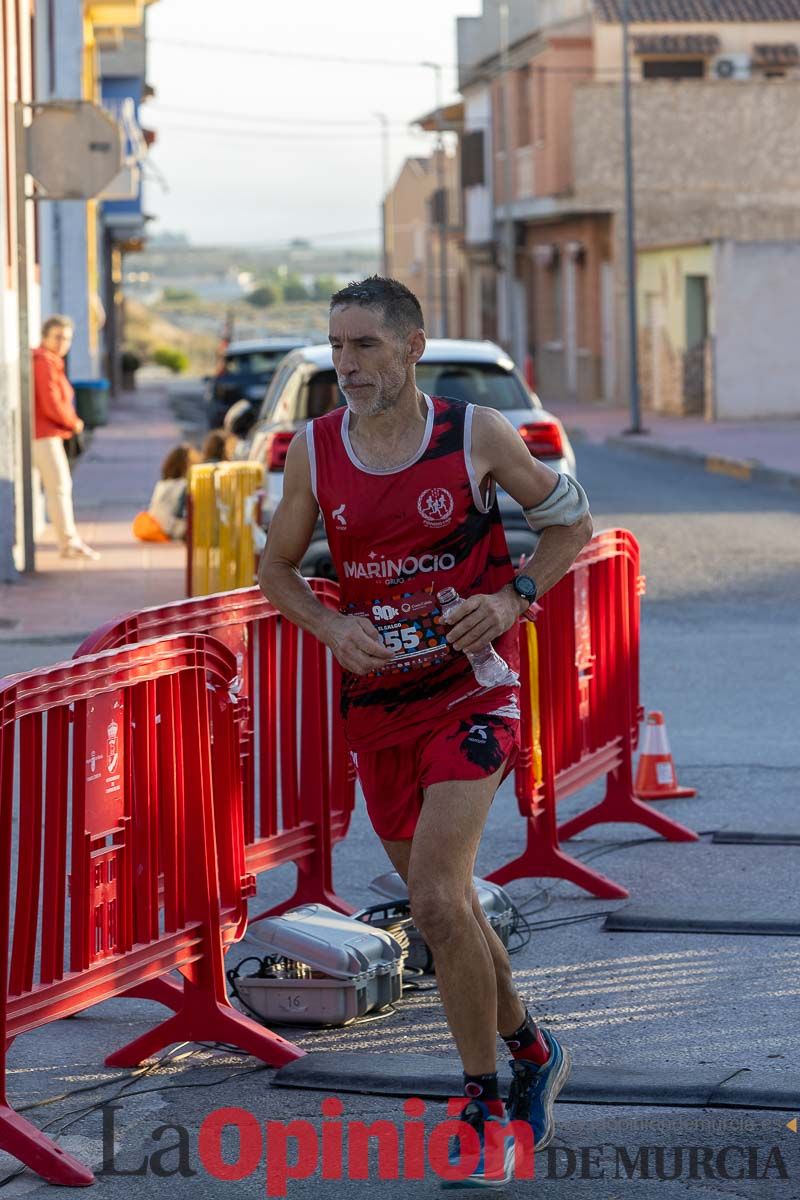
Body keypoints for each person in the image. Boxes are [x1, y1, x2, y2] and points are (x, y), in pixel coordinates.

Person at [258, 277, 593, 1186]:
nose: (348, 364)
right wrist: (330, 627)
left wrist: (511, 596)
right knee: (444, 909)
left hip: (473, 695)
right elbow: (276, 565)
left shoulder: (474, 434)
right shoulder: (315, 452)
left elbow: (572, 523)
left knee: (440, 902)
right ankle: (530, 1049)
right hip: (378, 709)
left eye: (365, 345)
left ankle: (482, 1102)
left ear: (412, 348)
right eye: (337, 346)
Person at [32, 315, 99, 560]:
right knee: (59, 486)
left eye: (67, 338)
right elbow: (51, 403)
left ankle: (68, 542)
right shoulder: (44, 362)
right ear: (45, 337)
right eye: (58, 337)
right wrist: (74, 423)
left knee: (57, 487)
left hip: (49, 432)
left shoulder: (51, 361)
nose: (63, 343)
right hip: (44, 434)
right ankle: (68, 544)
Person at [133, 444, 198, 542]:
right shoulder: (184, 485)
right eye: (193, 462)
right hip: (173, 529)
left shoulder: (162, 484)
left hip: (156, 525)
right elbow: (182, 513)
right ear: (186, 464)